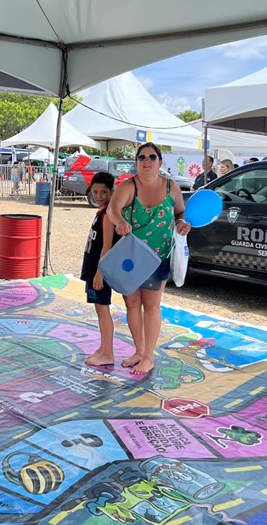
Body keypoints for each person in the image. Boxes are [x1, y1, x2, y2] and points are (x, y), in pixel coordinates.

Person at [107, 142, 191, 375]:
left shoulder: (170, 186)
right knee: (132, 304)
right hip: (131, 256)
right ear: (136, 162)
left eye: (152, 157)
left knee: (152, 305)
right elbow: (113, 209)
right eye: (141, 157)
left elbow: (180, 212)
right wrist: (120, 222)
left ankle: (149, 357)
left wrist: (182, 223)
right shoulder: (128, 186)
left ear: (160, 162)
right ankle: (139, 351)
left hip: (158, 256)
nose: (146, 161)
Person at [80, 172, 121, 366]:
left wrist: (100, 272)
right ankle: (104, 347)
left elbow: (107, 247)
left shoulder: (107, 215)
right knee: (99, 310)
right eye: (95, 192)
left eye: (103, 192)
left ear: (112, 192)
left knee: (103, 310)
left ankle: (108, 353)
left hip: (100, 271)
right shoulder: (101, 212)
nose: (98, 196)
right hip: (94, 269)